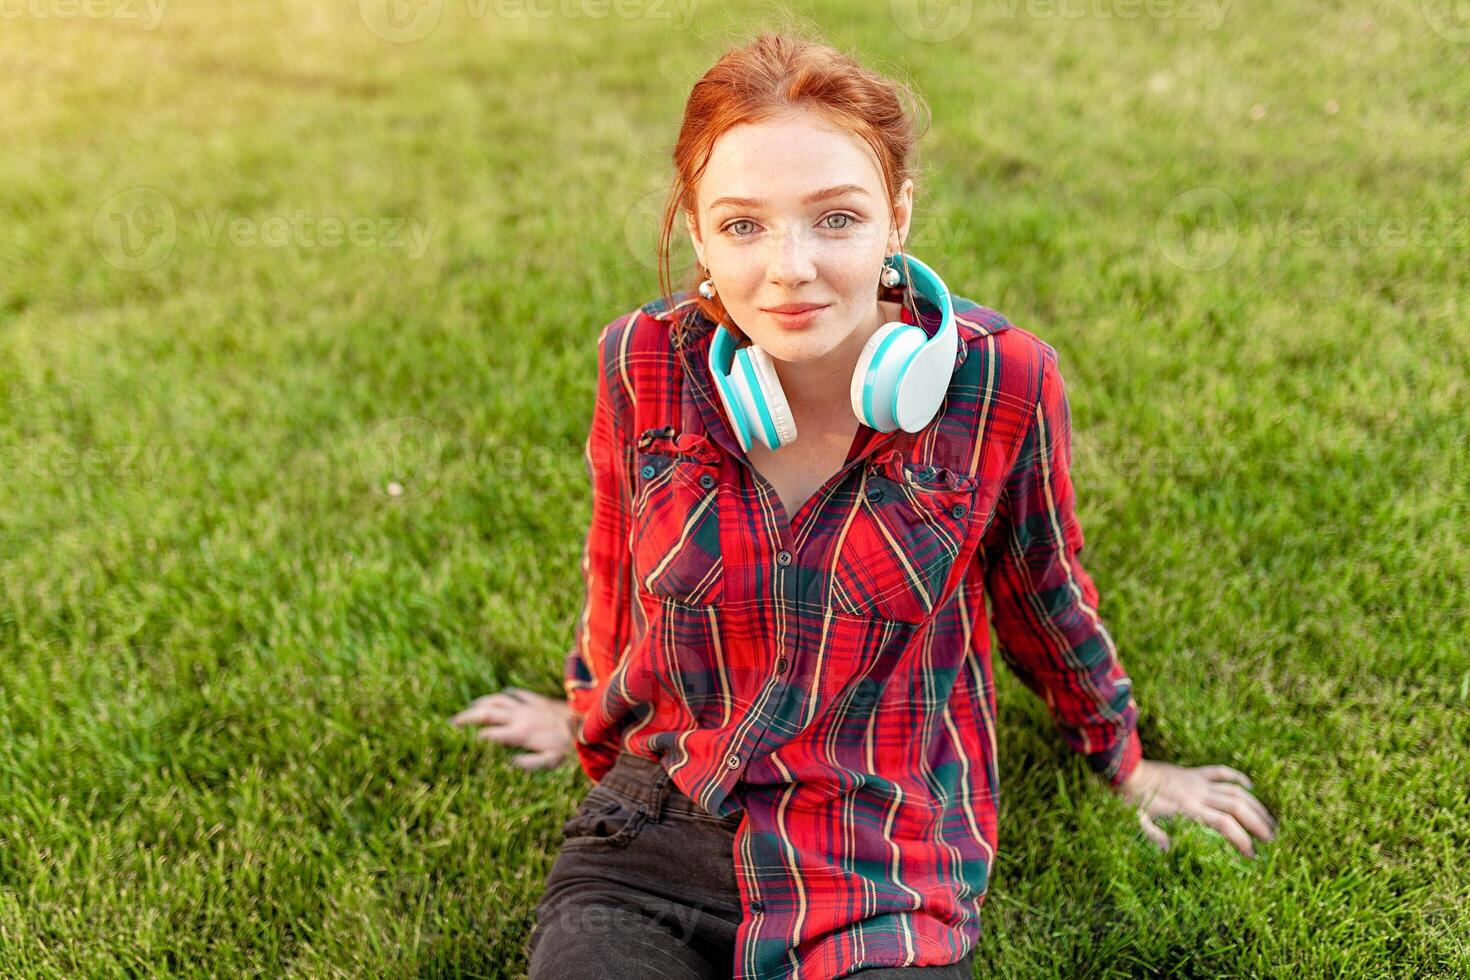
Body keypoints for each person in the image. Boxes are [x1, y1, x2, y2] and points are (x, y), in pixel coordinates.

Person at [451, 28, 1277, 980]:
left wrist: (1124, 760)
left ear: (898, 217)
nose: (789, 268)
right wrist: (582, 710)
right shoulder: (643, 363)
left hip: (884, 842)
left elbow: (1044, 590)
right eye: (743, 224)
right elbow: (615, 569)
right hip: (659, 825)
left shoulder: (1001, 382)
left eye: (835, 219)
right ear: (698, 231)